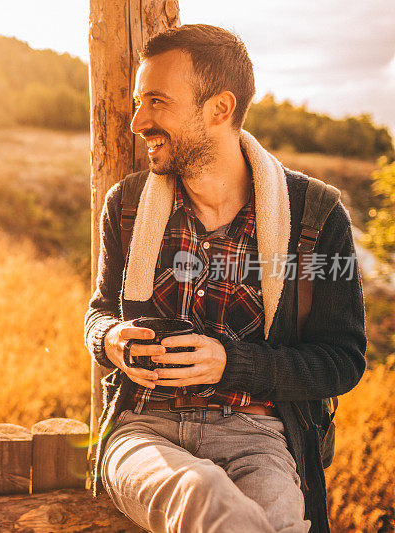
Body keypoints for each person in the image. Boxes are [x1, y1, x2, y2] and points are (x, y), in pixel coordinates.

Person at [85, 25, 366, 533]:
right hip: (143, 431)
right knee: (202, 493)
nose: (137, 121)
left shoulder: (315, 218)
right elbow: (98, 311)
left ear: (219, 108)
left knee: (280, 515)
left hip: (257, 433)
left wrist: (231, 364)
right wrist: (110, 339)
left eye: (155, 102)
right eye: (136, 101)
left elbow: (342, 361)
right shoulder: (125, 206)